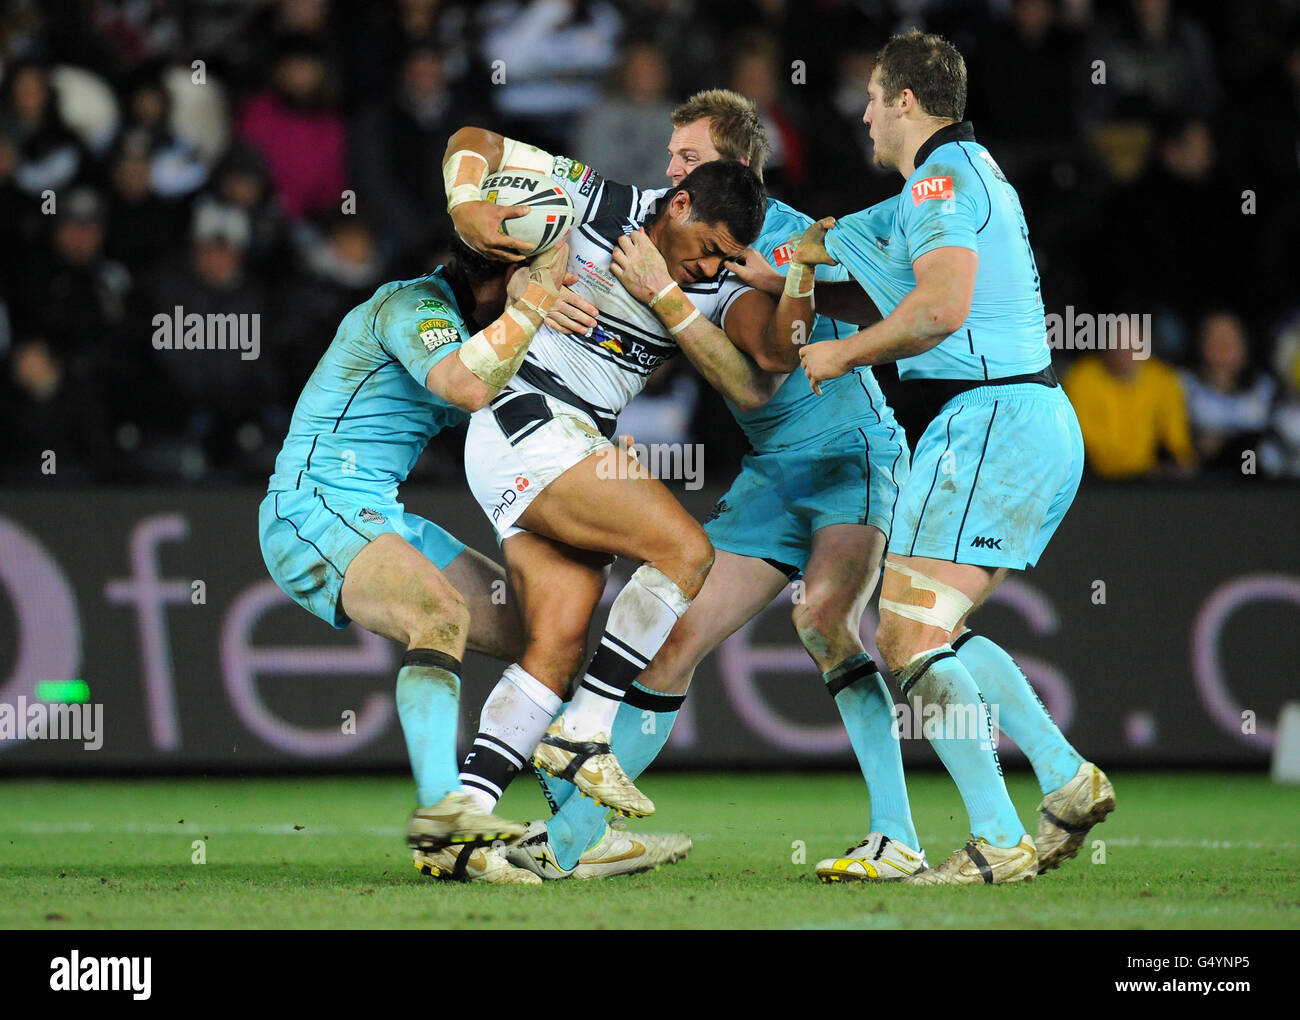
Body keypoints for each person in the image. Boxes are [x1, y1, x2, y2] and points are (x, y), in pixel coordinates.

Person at [511, 89, 923, 885]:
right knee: (671, 645)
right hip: (772, 475)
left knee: (827, 618)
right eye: (670, 159)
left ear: (734, 163)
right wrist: (551, 297)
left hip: (849, 452)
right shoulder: (684, 241)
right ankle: (570, 840)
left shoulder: (789, 234)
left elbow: (768, 367)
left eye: (686, 157)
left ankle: (896, 835)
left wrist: (756, 286)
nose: (669, 171)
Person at [794, 30, 1114, 884]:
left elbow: (939, 309)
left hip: (990, 420)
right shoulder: (958, 181)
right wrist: (765, 259)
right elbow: (819, 243)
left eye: (871, 96)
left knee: (900, 636)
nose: (860, 112)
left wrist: (842, 352)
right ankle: (1066, 777)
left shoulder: (938, 180)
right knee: (936, 630)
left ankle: (997, 839)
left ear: (906, 101)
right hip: (1033, 415)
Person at [442, 127, 778, 874]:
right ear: (679, 203)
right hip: (528, 422)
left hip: (566, 442)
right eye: (710, 247)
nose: (712, 266)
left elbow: (762, 374)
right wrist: (470, 205)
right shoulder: (597, 198)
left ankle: (459, 825)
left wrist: (741, 286)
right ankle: (585, 733)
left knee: (556, 648)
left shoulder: (706, 286)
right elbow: (473, 141)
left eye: (727, 258)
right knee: (688, 552)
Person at [258, 234, 574, 887]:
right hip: (313, 505)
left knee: (546, 636)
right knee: (439, 612)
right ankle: (442, 820)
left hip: (379, 511)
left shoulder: (473, 327)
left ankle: (576, 831)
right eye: (540, 277)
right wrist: (535, 299)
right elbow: (462, 384)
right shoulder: (415, 308)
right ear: (508, 278)